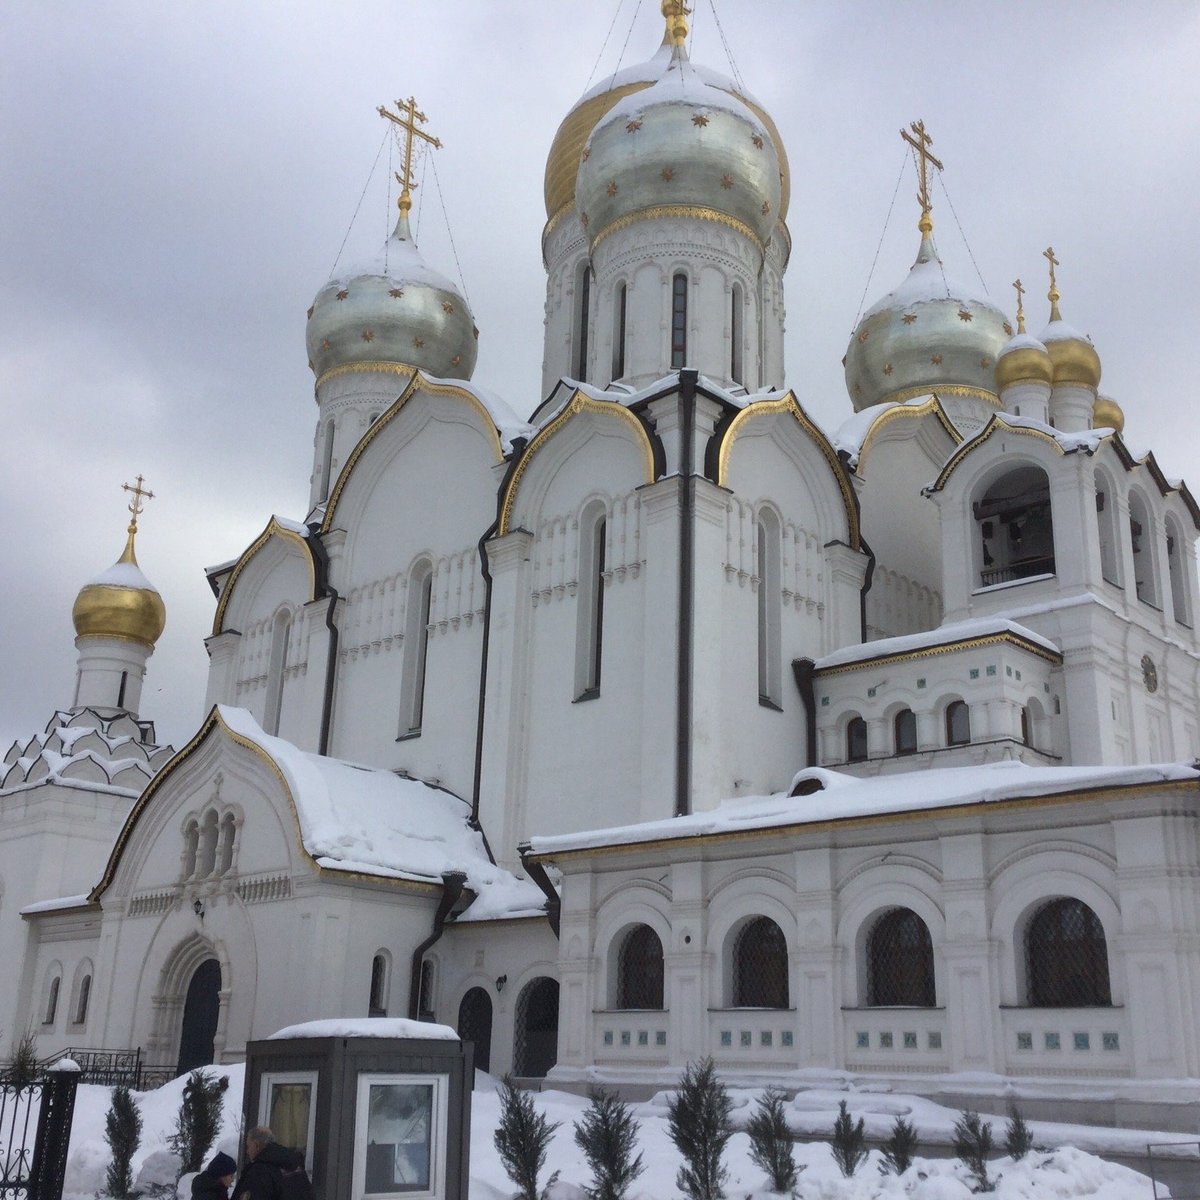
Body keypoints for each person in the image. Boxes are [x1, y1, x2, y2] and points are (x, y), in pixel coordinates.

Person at [232, 1127, 296, 1200]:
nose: (247, 1152)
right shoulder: (292, 1167)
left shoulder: (259, 1172)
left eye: (248, 1146)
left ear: (256, 1145)